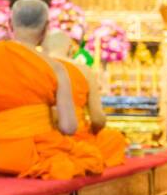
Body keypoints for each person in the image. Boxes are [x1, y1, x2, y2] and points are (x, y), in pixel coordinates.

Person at [0, 0, 103, 179]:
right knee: (89, 157)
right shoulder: (55, 67)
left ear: (10, 25)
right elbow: (69, 127)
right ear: (45, 29)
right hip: (34, 155)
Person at [40, 30, 127, 167]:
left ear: (43, 48)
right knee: (113, 138)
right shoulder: (84, 70)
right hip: (76, 139)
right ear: (70, 49)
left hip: (42, 139)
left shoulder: (35, 67)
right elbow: (97, 118)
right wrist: (93, 132)